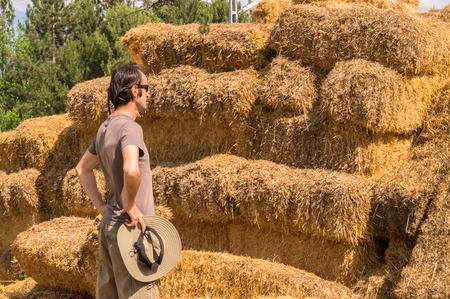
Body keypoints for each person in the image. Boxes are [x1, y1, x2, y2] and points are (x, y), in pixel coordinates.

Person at [76, 62, 158, 298]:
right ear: (135, 90)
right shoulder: (130, 129)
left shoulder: (104, 128)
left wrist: (102, 207)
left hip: (109, 229)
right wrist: (130, 205)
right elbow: (131, 170)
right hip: (131, 234)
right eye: (147, 87)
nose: (149, 93)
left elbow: (82, 169)